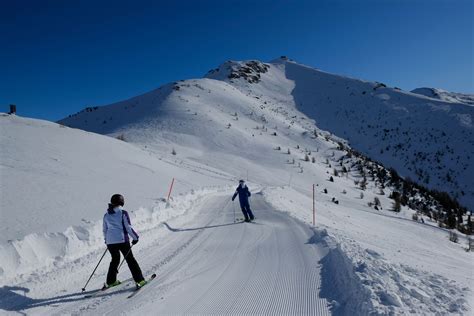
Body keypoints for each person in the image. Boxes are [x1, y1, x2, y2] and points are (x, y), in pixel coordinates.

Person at [103, 194, 146, 288]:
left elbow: (105, 230)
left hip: (110, 242)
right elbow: (128, 228)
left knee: (115, 259)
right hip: (122, 240)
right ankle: (140, 280)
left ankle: (111, 281)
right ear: (122, 202)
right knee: (130, 260)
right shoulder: (123, 213)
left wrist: (107, 240)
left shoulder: (106, 215)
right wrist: (135, 238)